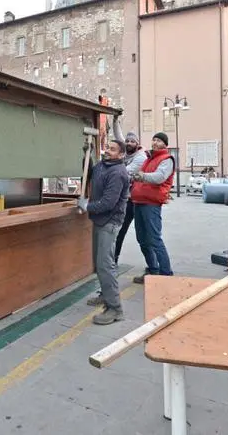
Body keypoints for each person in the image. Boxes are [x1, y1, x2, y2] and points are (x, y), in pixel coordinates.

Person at [78, 139, 130, 325]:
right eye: (107, 147)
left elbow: (108, 203)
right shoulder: (104, 165)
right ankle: (105, 295)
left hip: (109, 222)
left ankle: (115, 309)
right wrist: (87, 156)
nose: (108, 151)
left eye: (113, 149)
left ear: (121, 154)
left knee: (105, 264)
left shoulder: (118, 173)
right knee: (99, 263)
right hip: (99, 220)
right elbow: (91, 173)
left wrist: (87, 206)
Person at [130, 132, 175, 283]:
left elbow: (159, 177)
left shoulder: (166, 159)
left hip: (151, 204)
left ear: (165, 144)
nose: (155, 143)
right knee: (142, 239)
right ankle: (153, 270)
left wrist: (141, 176)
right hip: (139, 201)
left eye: (159, 141)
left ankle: (166, 274)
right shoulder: (149, 158)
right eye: (154, 140)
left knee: (154, 239)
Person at [113, 132, 148, 264]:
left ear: (137, 144)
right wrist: (116, 120)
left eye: (132, 141)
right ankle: (114, 259)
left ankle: (154, 267)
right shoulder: (127, 154)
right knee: (120, 230)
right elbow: (119, 138)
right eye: (127, 141)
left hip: (138, 200)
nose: (129, 143)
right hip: (128, 199)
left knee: (144, 235)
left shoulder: (140, 157)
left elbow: (124, 172)